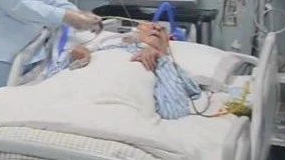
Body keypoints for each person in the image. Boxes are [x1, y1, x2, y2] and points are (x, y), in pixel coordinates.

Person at [50, 22, 203, 120]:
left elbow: (174, 112)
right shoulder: (106, 49)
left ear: (168, 42)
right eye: (150, 25)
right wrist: (76, 57)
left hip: (113, 113)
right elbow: (54, 80)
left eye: (162, 30)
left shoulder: (169, 67)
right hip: (69, 106)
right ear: (134, 32)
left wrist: (160, 58)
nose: (157, 28)